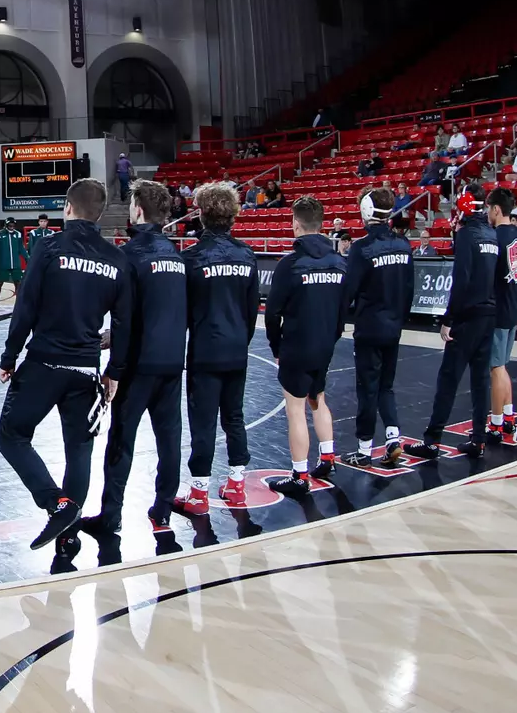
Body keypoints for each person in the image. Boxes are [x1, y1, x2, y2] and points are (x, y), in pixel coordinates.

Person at [0, 178, 131, 552]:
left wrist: (10, 357)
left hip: (44, 362)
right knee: (79, 449)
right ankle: (68, 533)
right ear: (101, 214)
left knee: (11, 436)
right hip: (86, 369)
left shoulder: (49, 246)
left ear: (67, 208)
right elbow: (124, 324)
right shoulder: (117, 259)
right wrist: (114, 371)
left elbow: (26, 306)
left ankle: (57, 505)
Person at [80, 180, 187, 547]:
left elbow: (126, 318)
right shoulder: (177, 254)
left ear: (137, 210)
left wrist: (114, 368)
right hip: (173, 360)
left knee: (122, 440)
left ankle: (111, 516)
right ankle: (162, 509)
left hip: (139, 364)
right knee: (169, 439)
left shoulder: (129, 255)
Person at [175, 182, 259, 513]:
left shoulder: (191, 258)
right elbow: (252, 310)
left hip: (205, 351)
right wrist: (240, 340)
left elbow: (182, 312)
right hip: (237, 350)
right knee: (234, 417)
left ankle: (199, 494)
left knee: (203, 422)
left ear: (202, 214)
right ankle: (237, 485)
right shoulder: (247, 255)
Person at [263, 195, 348, 497]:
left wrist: (275, 346)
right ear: (322, 224)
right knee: (319, 398)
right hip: (324, 343)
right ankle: (327, 458)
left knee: (295, 409)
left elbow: (272, 312)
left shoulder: (291, 264)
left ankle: (299, 475)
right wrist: (333, 335)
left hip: (297, 345)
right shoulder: (339, 262)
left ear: (295, 224)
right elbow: (343, 308)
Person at [406, 185, 498, 461]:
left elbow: (461, 281)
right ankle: (479, 439)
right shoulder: (492, 235)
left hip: (468, 316)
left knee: (449, 378)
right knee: (481, 380)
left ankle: (432, 440)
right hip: (488, 314)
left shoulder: (467, 236)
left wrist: (449, 319)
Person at [338, 187, 414, 468]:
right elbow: (409, 290)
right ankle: (393, 436)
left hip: (369, 327)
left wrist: (339, 320)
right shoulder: (404, 245)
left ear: (366, 212)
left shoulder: (361, 248)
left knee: (367, 388)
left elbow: (350, 291)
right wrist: (399, 319)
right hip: (393, 327)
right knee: (387, 386)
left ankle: (364, 448)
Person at [485, 188, 517, 451]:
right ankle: (509, 415)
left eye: (489, 208)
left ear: (496, 209)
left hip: (498, 309)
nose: (487, 213)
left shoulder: (495, 237)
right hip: (514, 304)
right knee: (503, 365)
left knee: (495, 368)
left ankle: (496, 423)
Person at [0, 217, 26, 303]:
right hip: (3, 264)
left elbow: (21, 248)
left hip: (16, 264)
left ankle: (19, 302)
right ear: (6, 225)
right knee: (0, 282)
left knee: (18, 283)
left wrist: (27, 258)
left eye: (13, 224)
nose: (12, 226)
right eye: (10, 224)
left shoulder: (18, 234)